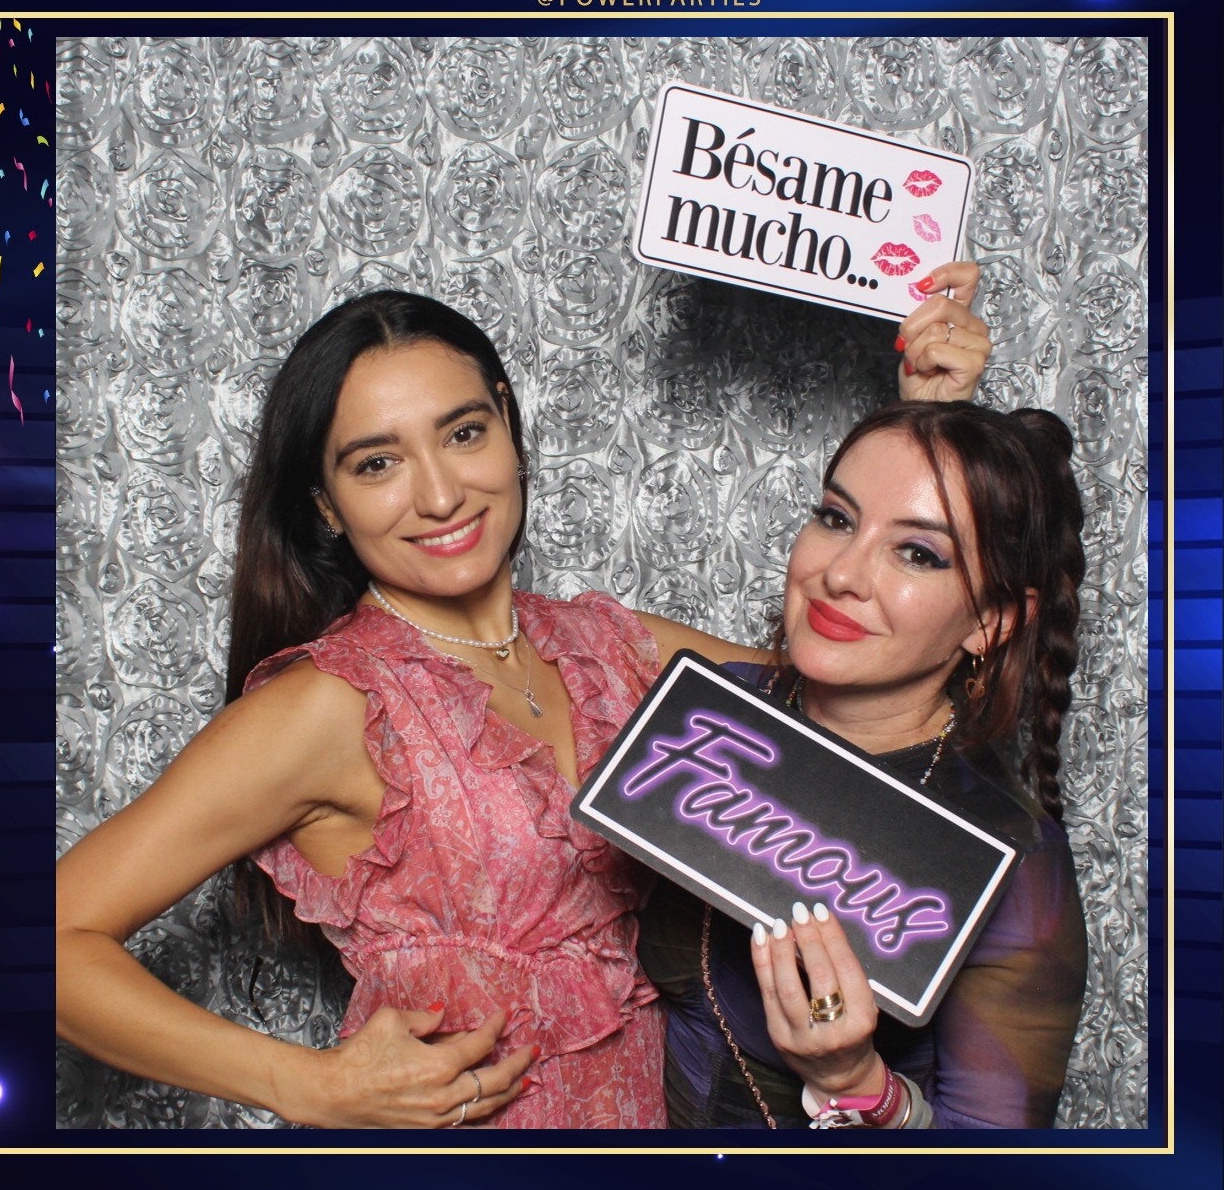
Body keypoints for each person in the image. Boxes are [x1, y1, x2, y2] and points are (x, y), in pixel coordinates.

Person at [56, 266, 991, 1128]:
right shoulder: (330, 706)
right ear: (326, 505)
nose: (439, 493)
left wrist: (934, 441)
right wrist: (307, 1085)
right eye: (376, 463)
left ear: (507, 423)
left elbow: (870, 694)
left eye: (464, 433)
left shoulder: (613, 650)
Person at [637, 399, 1089, 1129]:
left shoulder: (1012, 865)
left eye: (918, 553)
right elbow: (512, 630)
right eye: (837, 518)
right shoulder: (709, 712)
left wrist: (855, 1083)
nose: (841, 574)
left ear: (991, 623)